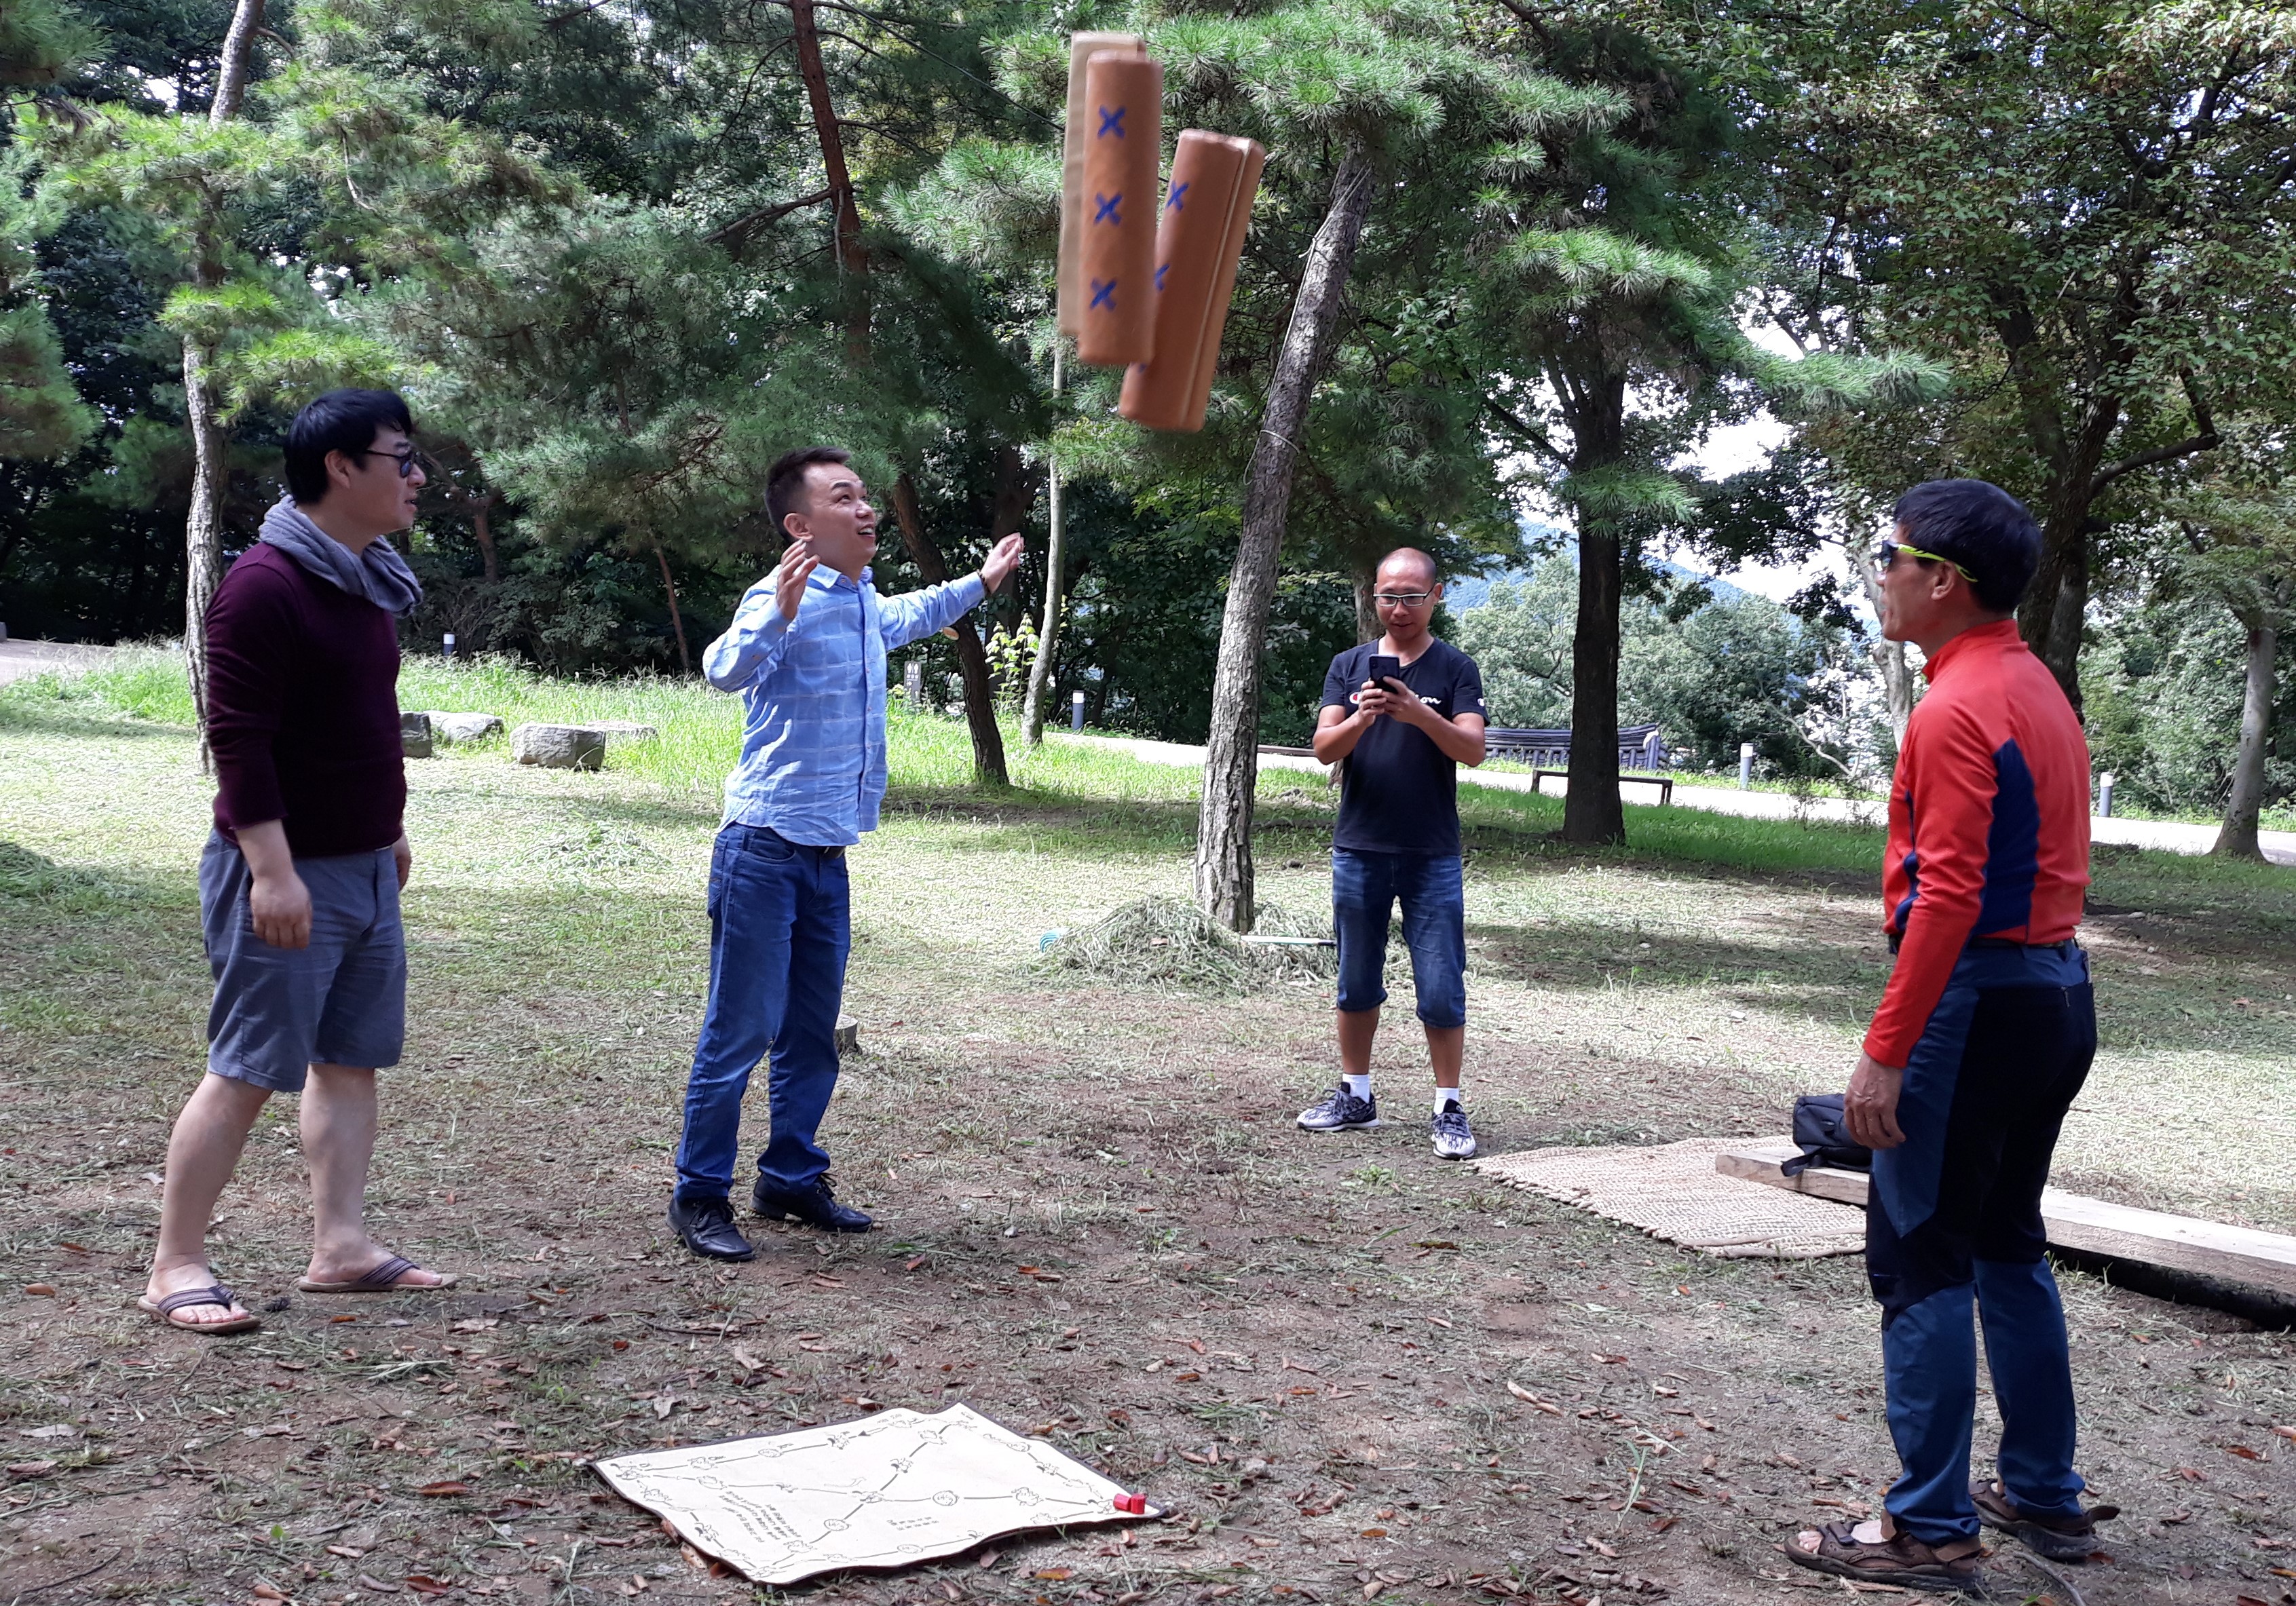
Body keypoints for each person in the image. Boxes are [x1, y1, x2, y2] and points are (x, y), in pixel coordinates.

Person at [1787, 480, 2115, 1592]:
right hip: (2055, 995)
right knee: (2005, 1239)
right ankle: (2041, 1491)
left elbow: (1947, 897)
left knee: (1919, 1250)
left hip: (1974, 1002)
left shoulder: (1951, 708)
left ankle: (1927, 1524)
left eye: (1887, 555)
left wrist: (1885, 1049)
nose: (1876, 573)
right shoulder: (2033, 688)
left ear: (1941, 579)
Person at [142, 388, 455, 1335]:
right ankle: (175, 1262)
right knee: (246, 1067)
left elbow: (358, 730)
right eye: (402, 456)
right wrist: (271, 870)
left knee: (349, 1059)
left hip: (361, 862)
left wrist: (386, 830)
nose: (417, 475)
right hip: (284, 867)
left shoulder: (365, 582)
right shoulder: (266, 583)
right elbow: (238, 740)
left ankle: (341, 1245)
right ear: (340, 467)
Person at [668, 448, 1024, 1261]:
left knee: (809, 1031)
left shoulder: (862, 600)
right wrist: (776, 612)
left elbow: (915, 615)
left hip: (826, 857)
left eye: (864, 495)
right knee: (739, 1030)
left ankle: (790, 1178)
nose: (866, 509)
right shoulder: (779, 595)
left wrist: (982, 582)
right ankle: (698, 1194)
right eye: (844, 497)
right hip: (762, 847)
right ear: (800, 525)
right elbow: (723, 669)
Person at [1298, 548, 1488, 1160]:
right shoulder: (1349, 665)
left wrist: (1415, 714)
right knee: (1356, 979)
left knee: (1439, 984)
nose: (1398, 608)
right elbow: (1325, 748)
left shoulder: (1456, 668)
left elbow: (1472, 750)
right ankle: (1356, 1095)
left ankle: (1448, 1105)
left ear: (1437, 596)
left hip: (1430, 851)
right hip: (1359, 846)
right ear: (1373, 596)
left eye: (1411, 596)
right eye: (1387, 596)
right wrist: (1363, 718)